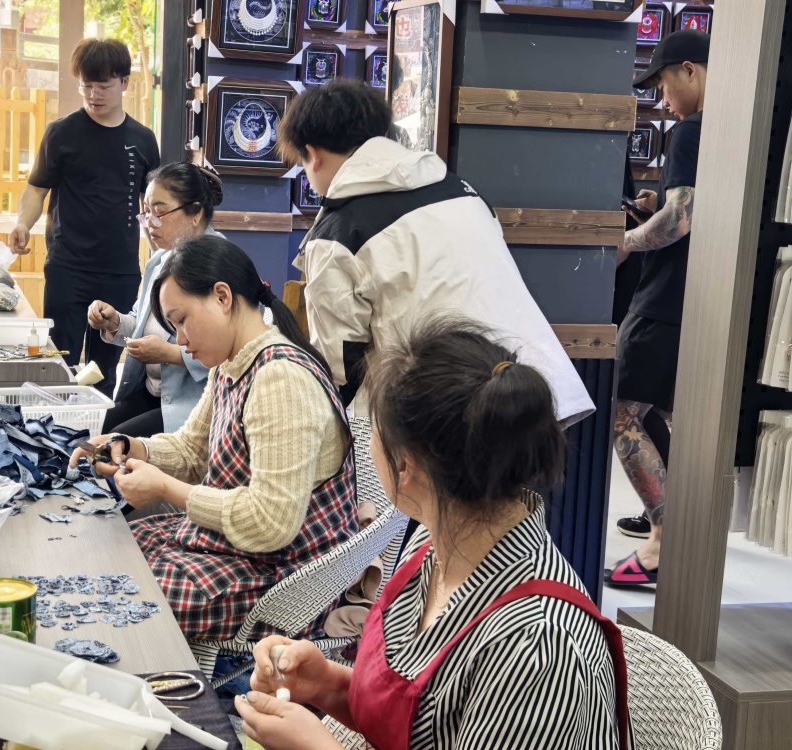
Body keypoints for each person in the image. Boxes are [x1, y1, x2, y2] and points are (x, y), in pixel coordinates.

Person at [233, 316, 631, 750]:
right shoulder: (432, 544)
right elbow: (422, 720)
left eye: (372, 430)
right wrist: (327, 684)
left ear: (404, 466)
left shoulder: (536, 647)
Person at [69, 236, 358, 642]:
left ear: (222, 296)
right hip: (242, 551)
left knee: (115, 597)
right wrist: (131, 445)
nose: (179, 339)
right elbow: (191, 450)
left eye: (181, 320)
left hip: (283, 576)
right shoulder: (231, 364)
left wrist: (165, 489)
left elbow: (270, 523)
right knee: (104, 551)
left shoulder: (281, 378)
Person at [278, 80, 594, 425]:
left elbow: (338, 368)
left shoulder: (336, 235)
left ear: (314, 154)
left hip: (448, 414)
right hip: (534, 391)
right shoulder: (461, 191)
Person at [607, 30, 708, 587]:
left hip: (664, 298)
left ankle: (664, 540)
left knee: (624, 412)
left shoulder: (690, 131)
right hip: (698, 297)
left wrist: (626, 242)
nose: (664, 101)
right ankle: (672, 531)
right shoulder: (728, 133)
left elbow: (680, 219)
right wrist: (655, 206)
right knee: (659, 413)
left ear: (689, 70)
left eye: (666, 85)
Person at [8, 38, 160, 398]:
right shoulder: (62, 132)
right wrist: (22, 223)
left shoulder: (143, 140)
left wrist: (162, 255)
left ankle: (97, 430)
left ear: (124, 83)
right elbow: (36, 189)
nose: (94, 94)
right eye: (86, 85)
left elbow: (153, 207)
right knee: (57, 363)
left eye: (103, 86)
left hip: (120, 271)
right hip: (68, 267)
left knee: (103, 372)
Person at [88, 163, 224, 436]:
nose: (150, 223)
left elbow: (234, 351)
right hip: (153, 393)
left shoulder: (220, 264)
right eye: (146, 212)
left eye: (159, 213)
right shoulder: (161, 259)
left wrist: (171, 354)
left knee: (113, 443)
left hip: (196, 404)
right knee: (90, 429)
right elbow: (141, 324)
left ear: (196, 212)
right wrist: (114, 322)